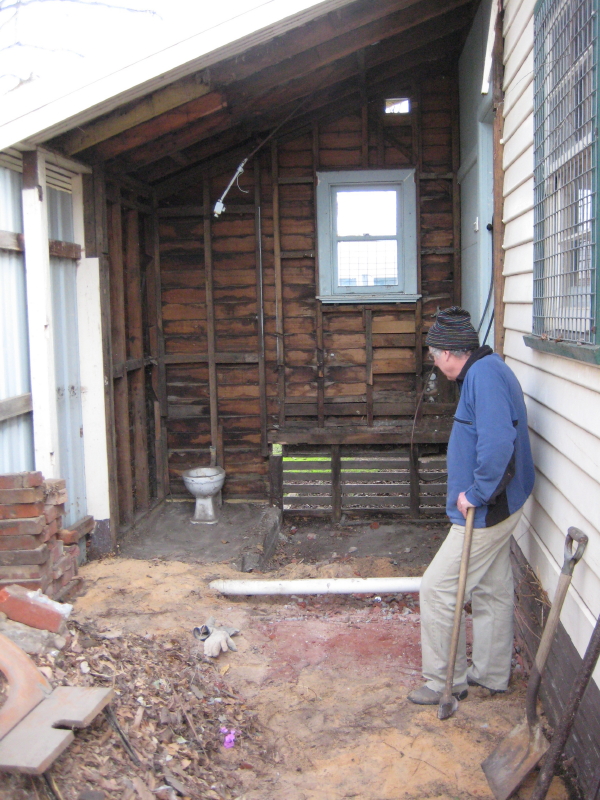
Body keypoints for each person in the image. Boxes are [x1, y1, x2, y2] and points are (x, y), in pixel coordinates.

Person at [407, 307, 535, 705]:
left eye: (433, 355)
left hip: (487, 508)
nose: (433, 361)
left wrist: (476, 493)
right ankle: (493, 674)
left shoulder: (483, 376)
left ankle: (444, 680)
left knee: (438, 588)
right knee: (493, 588)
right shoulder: (485, 370)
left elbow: (498, 443)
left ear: (447, 353)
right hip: (504, 503)